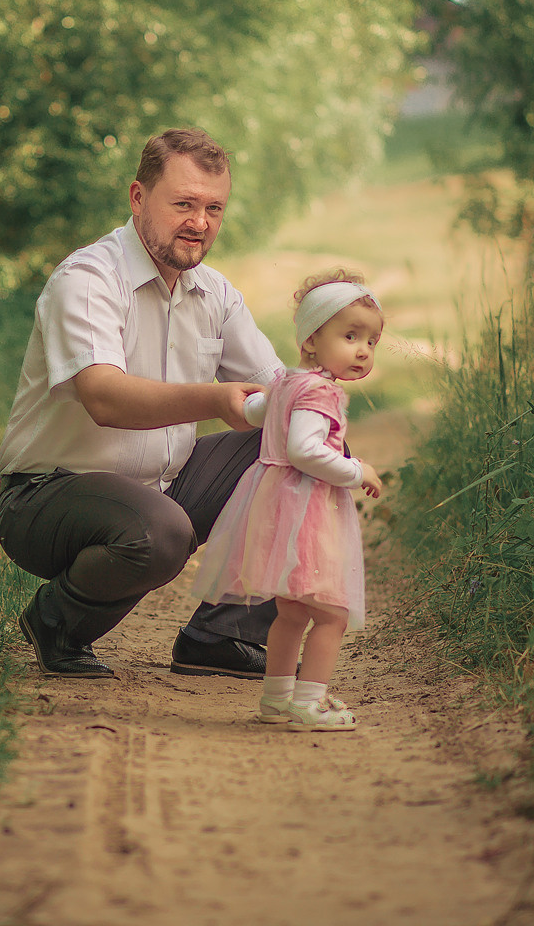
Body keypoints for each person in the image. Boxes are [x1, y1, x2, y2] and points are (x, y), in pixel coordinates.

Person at [0, 127, 286, 679]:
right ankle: (57, 622)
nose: (200, 223)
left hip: (162, 486)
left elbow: (272, 387)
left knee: (292, 444)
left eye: (213, 208)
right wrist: (215, 398)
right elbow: (105, 398)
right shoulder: (87, 279)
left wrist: (315, 399)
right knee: (164, 531)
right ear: (138, 197)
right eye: (183, 204)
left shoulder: (216, 295)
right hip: (46, 495)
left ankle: (218, 636)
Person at [190, 272, 384, 731]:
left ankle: (277, 698)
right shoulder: (320, 391)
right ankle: (308, 701)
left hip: (274, 504)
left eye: (372, 341)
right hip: (307, 509)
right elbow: (304, 450)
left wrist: (263, 405)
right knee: (332, 613)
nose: (363, 350)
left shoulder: (286, 383)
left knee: (292, 611)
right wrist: (358, 472)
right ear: (312, 340)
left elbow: (255, 412)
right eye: (350, 336)